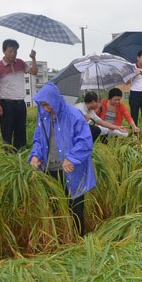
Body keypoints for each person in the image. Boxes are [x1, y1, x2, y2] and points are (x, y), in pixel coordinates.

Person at [29, 83, 96, 236]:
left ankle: (79, 240)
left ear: (55, 100)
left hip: (71, 170)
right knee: (55, 206)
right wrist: (35, 156)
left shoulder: (73, 115)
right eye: (43, 105)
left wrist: (71, 158)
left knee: (75, 206)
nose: (46, 108)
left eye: (48, 104)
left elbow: (85, 141)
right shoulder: (44, 117)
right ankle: (61, 237)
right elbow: (38, 139)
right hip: (50, 168)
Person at [0, 39, 38, 150]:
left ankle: (20, 156)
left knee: (21, 131)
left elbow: (34, 72)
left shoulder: (20, 63)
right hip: (6, 104)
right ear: (4, 51)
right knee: (7, 133)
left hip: (20, 103)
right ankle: (8, 157)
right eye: (10, 51)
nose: (13, 54)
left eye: (15, 51)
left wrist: (33, 58)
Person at [126, 50, 142, 141]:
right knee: (134, 115)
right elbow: (126, 82)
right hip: (135, 93)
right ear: (138, 58)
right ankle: (134, 135)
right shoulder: (132, 67)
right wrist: (135, 74)